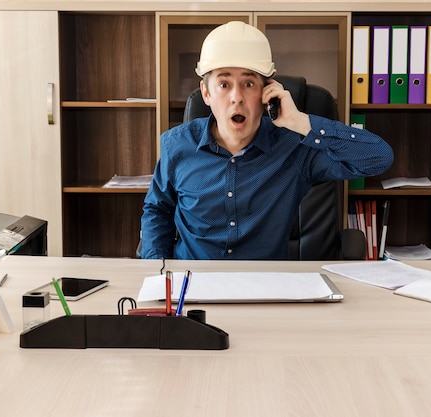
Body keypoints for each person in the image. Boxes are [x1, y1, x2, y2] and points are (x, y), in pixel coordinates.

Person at [140, 21, 393, 260]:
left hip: (266, 286)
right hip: (192, 286)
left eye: (249, 83)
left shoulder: (294, 147)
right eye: (224, 84)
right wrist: (158, 273)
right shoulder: (177, 146)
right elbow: (157, 210)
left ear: (267, 92)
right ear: (206, 93)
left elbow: (379, 157)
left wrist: (300, 122)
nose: (236, 97)